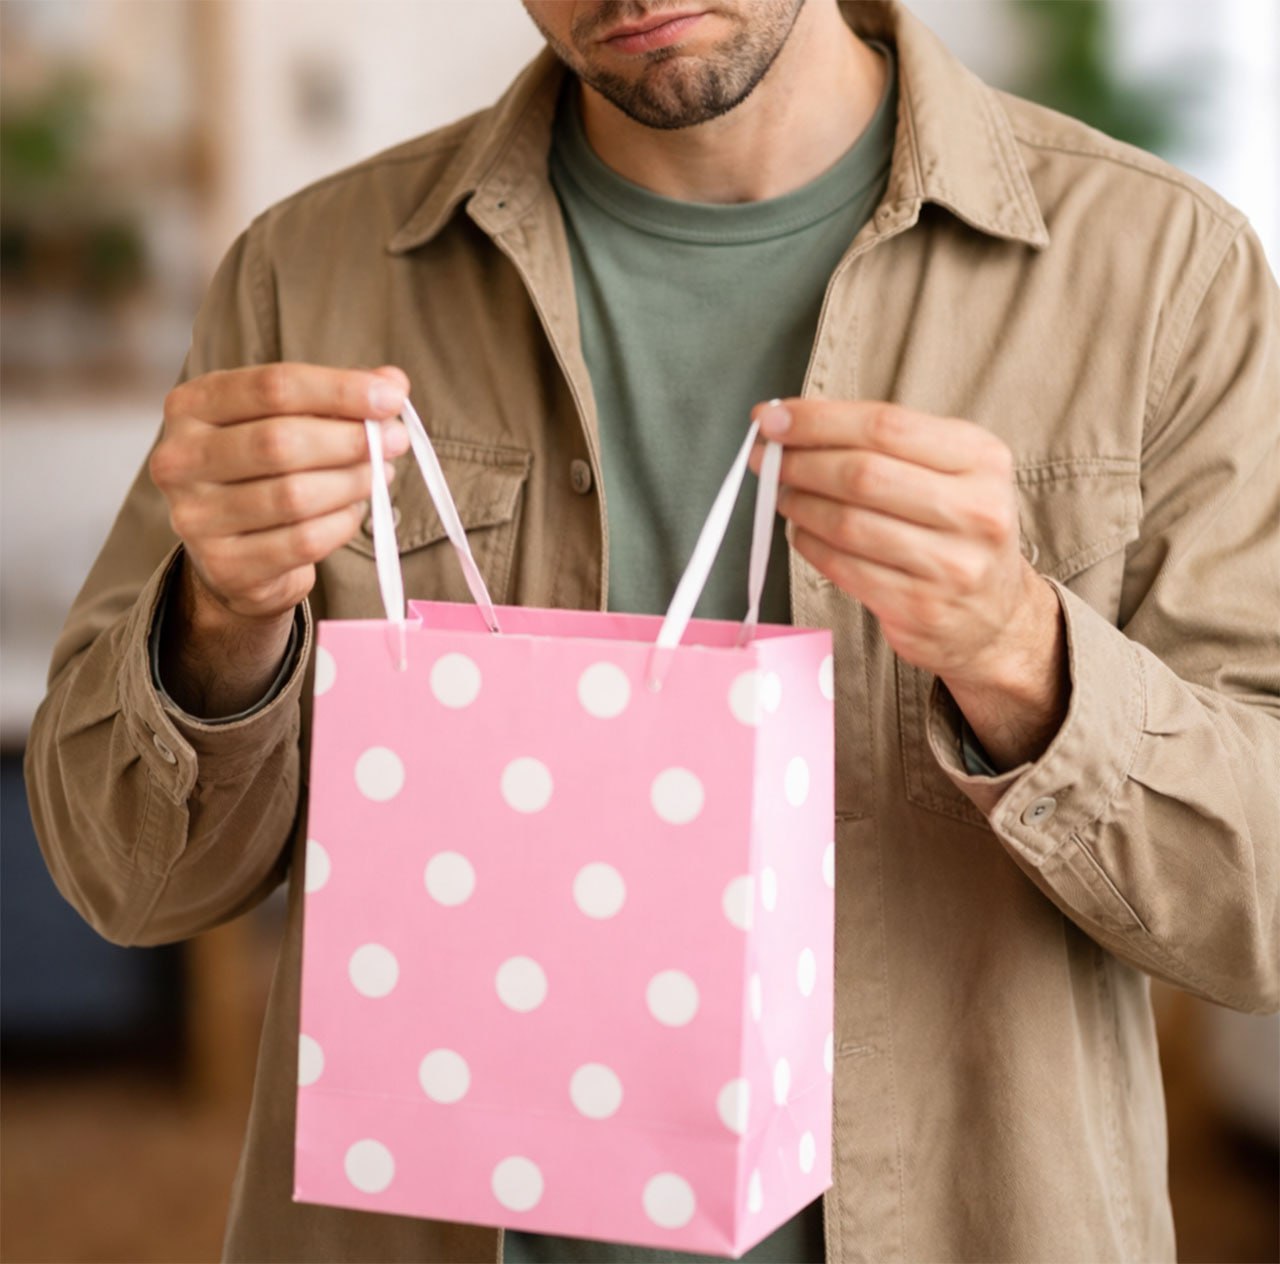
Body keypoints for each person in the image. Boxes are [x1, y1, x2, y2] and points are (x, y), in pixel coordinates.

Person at [25, 0, 1278, 1260]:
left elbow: (1257, 912)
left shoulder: (1162, 274)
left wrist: (1016, 651)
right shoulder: (305, 277)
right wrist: (221, 618)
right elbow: (126, 878)